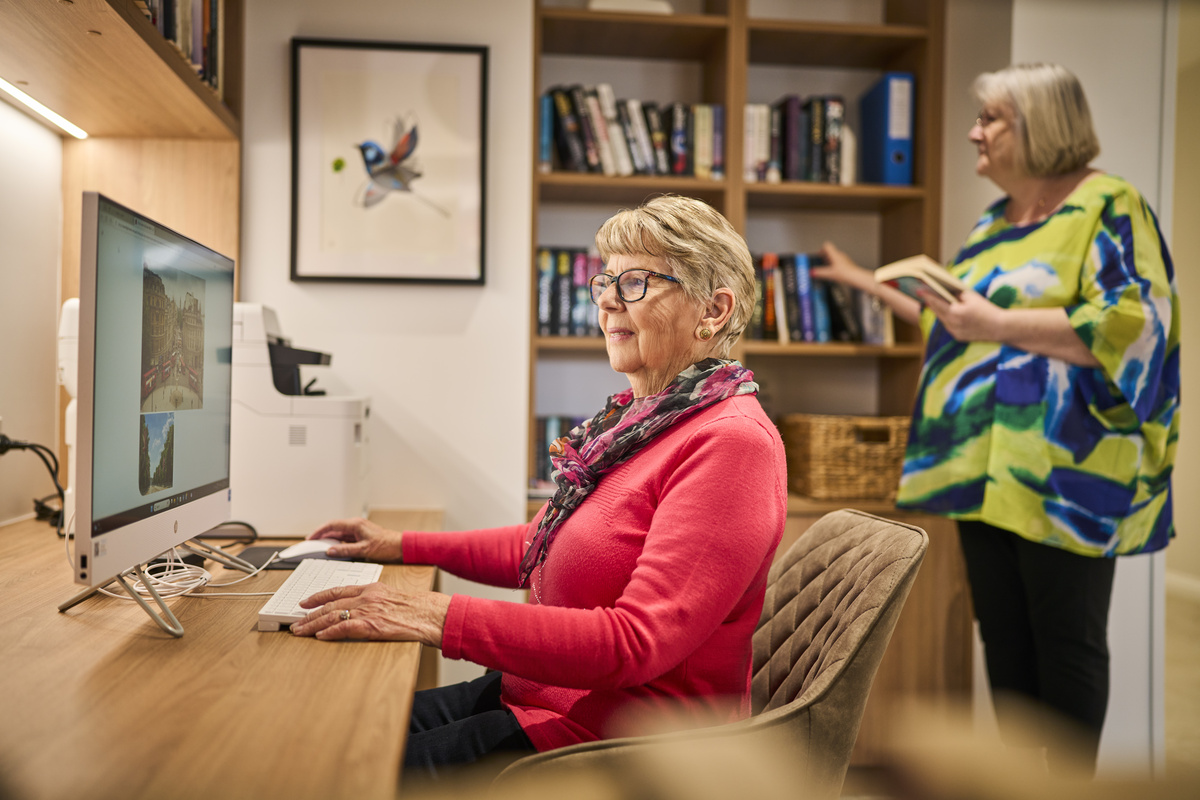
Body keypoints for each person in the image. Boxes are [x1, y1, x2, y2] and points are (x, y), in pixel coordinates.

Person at [290, 195, 789, 782]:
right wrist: (397, 545)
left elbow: (634, 642)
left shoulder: (732, 444)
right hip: (547, 700)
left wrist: (434, 615)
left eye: (635, 282)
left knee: (332, 771)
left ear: (713, 309)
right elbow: (540, 543)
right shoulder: (646, 419)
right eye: (605, 280)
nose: (606, 299)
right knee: (317, 734)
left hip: (623, 748)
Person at [813, 63, 1179, 775]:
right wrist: (867, 282)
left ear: (1039, 125)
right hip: (977, 472)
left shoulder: (1109, 205)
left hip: (1065, 474)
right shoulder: (992, 222)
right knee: (1006, 646)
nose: (975, 132)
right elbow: (957, 324)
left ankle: (1068, 791)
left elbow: (1136, 325)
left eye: (991, 119)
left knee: (1066, 646)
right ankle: (1018, 789)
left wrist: (1001, 322)